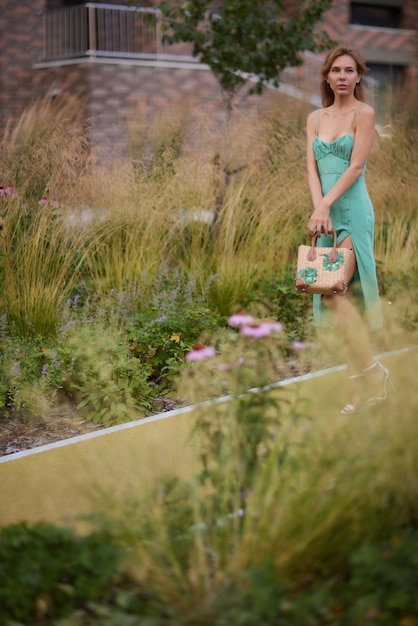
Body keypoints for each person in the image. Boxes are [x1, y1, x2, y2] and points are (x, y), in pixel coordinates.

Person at [305, 45, 394, 415]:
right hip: (323, 217)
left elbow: (356, 168)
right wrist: (317, 208)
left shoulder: (365, 113)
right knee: (338, 299)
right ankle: (370, 376)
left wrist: (326, 204)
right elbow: (311, 169)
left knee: (335, 294)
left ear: (359, 76)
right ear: (327, 76)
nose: (342, 76)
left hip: (352, 214)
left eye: (349, 70)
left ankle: (367, 379)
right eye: (336, 70)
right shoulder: (314, 117)